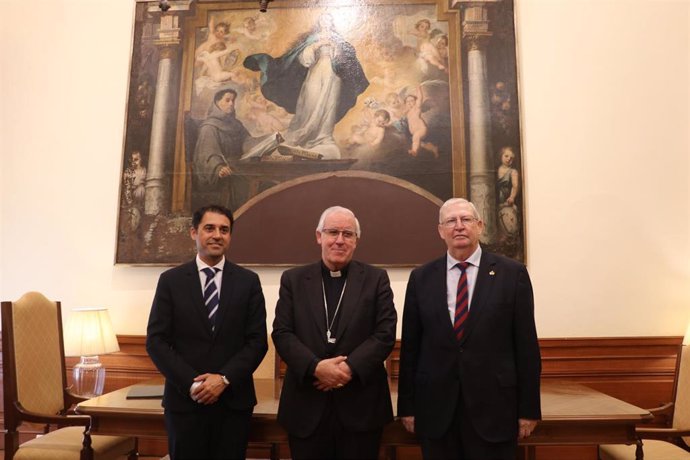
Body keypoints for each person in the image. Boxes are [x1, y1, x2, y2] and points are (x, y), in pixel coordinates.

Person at [397, 197, 541, 460]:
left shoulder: (512, 274)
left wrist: (529, 409)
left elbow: (526, 346)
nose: (459, 226)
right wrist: (407, 407)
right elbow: (410, 347)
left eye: (466, 219)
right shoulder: (421, 278)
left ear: (480, 225)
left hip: (496, 410)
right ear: (441, 230)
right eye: (451, 221)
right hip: (437, 412)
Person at [272, 206, 397, 460]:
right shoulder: (294, 280)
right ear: (319, 236)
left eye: (347, 234)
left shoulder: (376, 279)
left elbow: (385, 333)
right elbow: (282, 333)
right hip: (306, 406)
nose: (339, 240)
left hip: (361, 408)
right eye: (332, 232)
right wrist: (317, 368)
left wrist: (347, 369)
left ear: (356, 241)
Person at [146, 205, 268, 459]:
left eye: (224, 230)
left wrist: (223, 379)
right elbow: (156, 341)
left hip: (233, 402)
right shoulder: (171, 281)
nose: (217, 235)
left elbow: (257, 342)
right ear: (193, 232)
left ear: (230, 236)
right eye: (209, 228)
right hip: (185, 402)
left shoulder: (248, 281)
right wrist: (193, 384)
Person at [244, 13, 369, 159]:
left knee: (329, 104)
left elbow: (346, 60)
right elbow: (304, 58)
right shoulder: (312, 38)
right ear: (319, 22)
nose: (326, 22)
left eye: (329, 20)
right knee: (311, 100)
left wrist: (336, 49)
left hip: (333, 76)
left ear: (332, 23)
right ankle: (305, 132)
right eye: (323, 20)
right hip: (316, 72)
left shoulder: (338, 39)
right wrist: (316, 46)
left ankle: (324, 136)